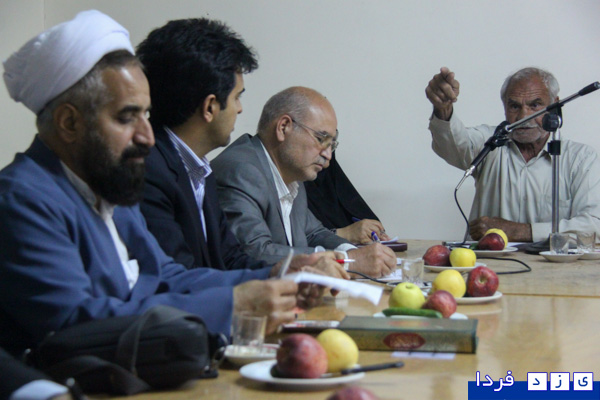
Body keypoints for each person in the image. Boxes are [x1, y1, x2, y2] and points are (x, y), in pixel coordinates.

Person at [0, 10, 330, 357]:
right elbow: (73, 326)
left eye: (145, 114)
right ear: (69, 122)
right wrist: (233, 305)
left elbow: (166, 276)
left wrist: (277, 275)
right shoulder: (23, 200)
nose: (146, 136)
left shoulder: (107, 185)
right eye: (127, 117)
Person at [135, 19, 348, 277]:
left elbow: (230, 258)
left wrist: (283, 271)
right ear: (210, 107)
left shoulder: (199, 170)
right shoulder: (148, 172)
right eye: (237, 96)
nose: (240, 109)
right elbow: (179, 279)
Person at [211, 86, 397, 278]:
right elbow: (254, 253)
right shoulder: (242, 171)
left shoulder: (292, 175)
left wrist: (353, 251)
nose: (328, 156)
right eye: (321, 139)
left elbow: (313, 233)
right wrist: (347, 261)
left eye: (331, 145)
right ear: (284, 127)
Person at [426, 66, 600, 242]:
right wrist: (443, 108)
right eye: (515, 106)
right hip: (488, 259)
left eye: (535, 105)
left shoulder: (581, 159)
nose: (523, 116)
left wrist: (519, 231)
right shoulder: (490, 142)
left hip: (549, 260)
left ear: (554, 105)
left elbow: (594, 226)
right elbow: (452, 144)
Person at [304, 151, 390, 244]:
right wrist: (345, 233)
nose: (328, 158)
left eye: (331, 146)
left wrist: (369, 232)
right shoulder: (297, 189)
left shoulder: (329, 176)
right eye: (320, 142)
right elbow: (299, 240)